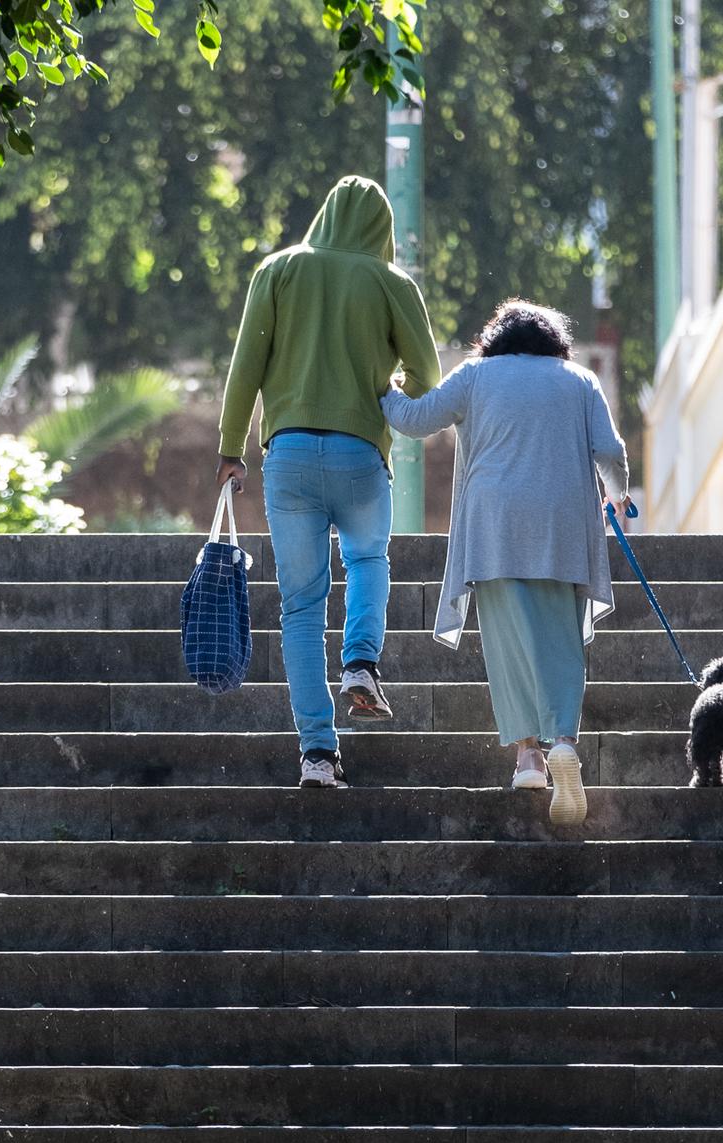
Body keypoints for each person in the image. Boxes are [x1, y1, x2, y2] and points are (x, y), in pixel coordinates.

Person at [216, 175, 442, 789]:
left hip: (286, 458)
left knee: (300, 608)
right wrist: (389, 394)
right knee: (368, 557)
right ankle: (362, 662)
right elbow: (429, 375)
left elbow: (246, 367)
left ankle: (318, 754)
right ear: (382, 230)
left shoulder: (278, 270)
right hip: (361, 456)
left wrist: (230, 450)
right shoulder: (392, 283)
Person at [380, 299, 629, 826]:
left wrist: (382, 385)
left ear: (494, 340)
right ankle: (563, 740)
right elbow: (611, 452)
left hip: (494, 525)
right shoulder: (578, 380)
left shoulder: (475, 375)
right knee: (562, 637)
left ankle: (528, 758)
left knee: (507, 641)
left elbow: (415, 420)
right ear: (552, 342)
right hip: (562, 525)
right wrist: (618, 496)